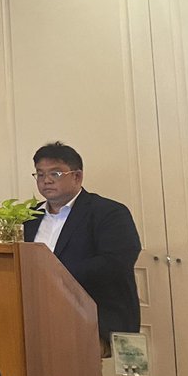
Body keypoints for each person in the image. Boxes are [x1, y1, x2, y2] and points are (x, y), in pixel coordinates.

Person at [22, 142, 141, 355]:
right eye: (40, 174)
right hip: (35, 317)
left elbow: (115, 263)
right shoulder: (30, 217)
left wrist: (53, 276)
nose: (46, 180)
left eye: (55, 173)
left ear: (77, 176)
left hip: (90, 319)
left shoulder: (109, 212)